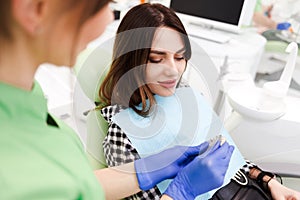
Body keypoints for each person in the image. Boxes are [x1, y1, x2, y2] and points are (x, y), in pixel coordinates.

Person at [0, 1, 233, 200]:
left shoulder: (25, 97)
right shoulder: (13, 165)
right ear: (33, 8)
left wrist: (143, 171)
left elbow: (78, 184)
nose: (108, 18)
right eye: (104, 4)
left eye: (180, 57)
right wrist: (180, 192)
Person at [98, 3, 300, 200]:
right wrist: (184, 190)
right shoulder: (121, 136)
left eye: (180, 57)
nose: (173, 70)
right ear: (131, 59)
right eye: (157, 59)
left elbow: (230, 156)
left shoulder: (185, 93)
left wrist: (270, 182)